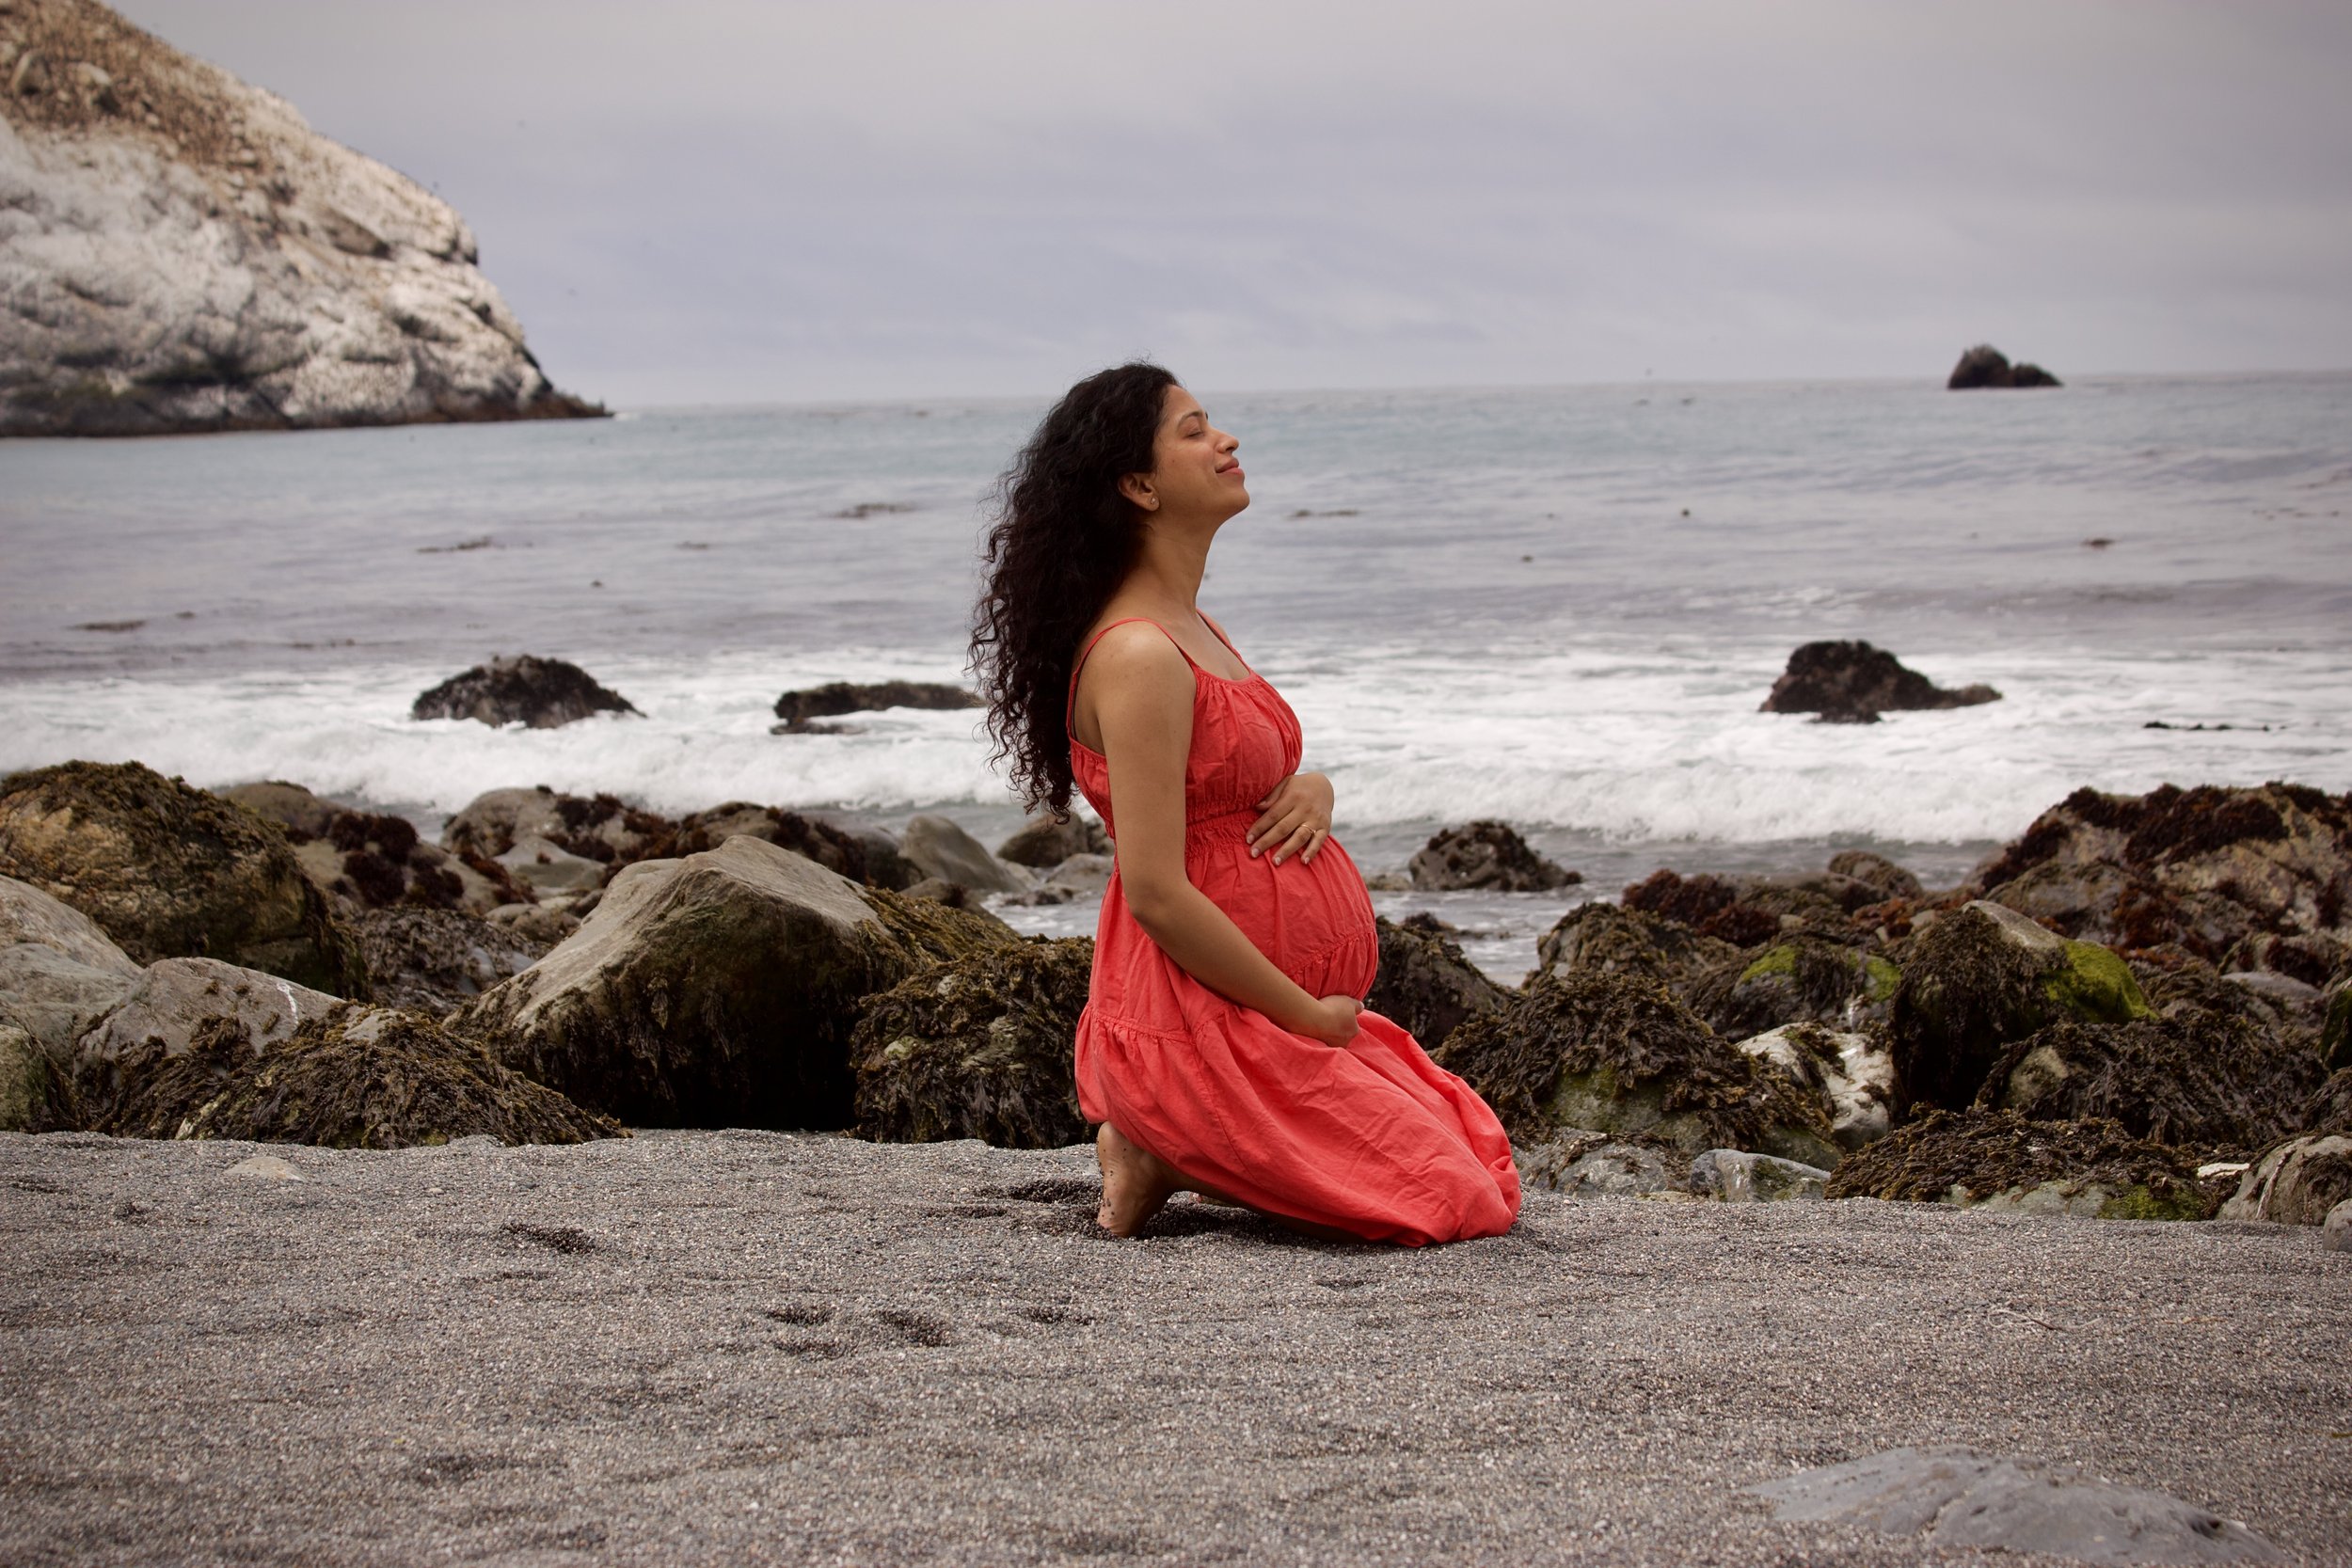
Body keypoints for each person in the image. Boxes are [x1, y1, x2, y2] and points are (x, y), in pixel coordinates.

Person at [972, 362, 1520, 1245]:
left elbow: (1238, 782)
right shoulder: (1140, 654)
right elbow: (1155, 888)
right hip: (1203, 1019)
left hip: (1260, 1015)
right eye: (1192, 431)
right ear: (1139, 485)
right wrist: (1302, 1015)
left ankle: (1176, 1149)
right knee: (1453, 1198)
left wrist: (1316, 787)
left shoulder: (1196, 628)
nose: (1224, 440)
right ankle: (1164, 1142)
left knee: (1478, 1157)